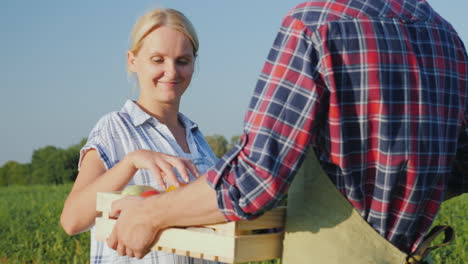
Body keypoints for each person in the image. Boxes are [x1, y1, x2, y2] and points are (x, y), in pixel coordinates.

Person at [106, 0, 467, 263]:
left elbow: (255, 178)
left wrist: (150, 214)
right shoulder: (445, 35)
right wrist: (395, 197)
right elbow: (461, 165)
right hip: (415, 253)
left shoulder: (315, 22)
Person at [60, 8, 221, 264]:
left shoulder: (198, 140)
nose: (171, 71)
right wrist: (131, 161)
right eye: (157, 60)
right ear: (132, 61)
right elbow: (72, 220)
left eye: (182, 61)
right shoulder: (115, 128)